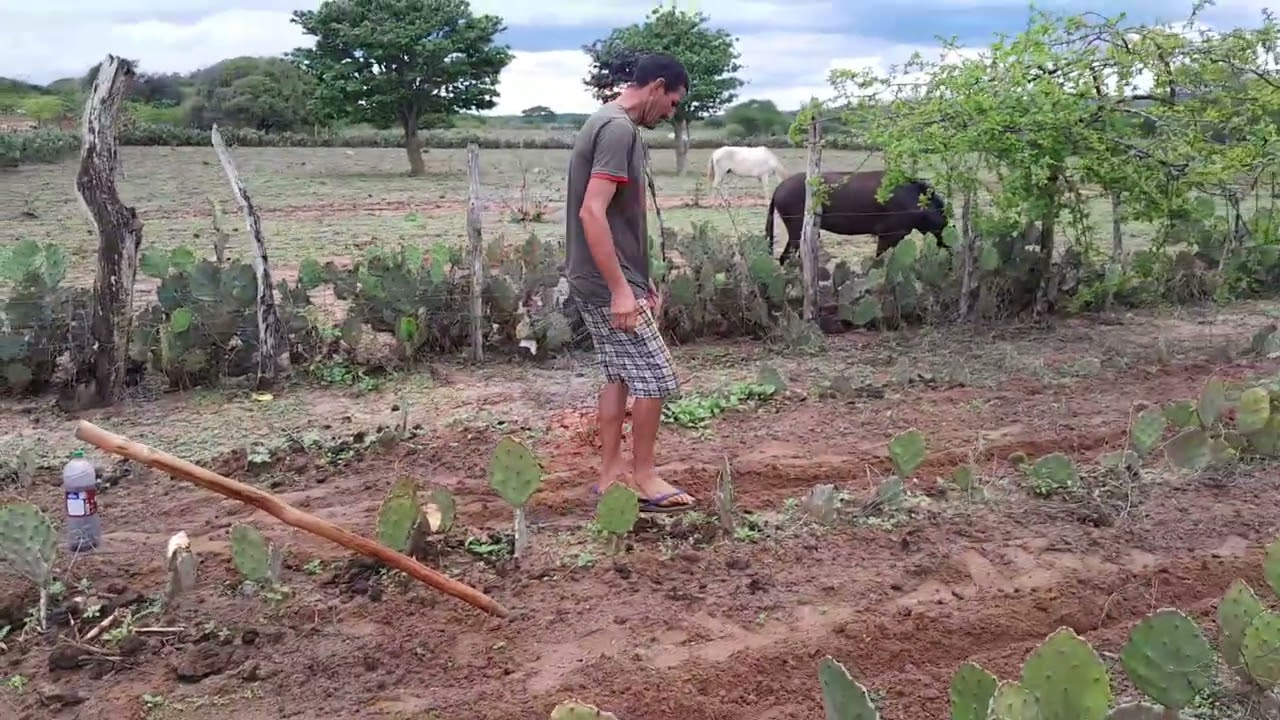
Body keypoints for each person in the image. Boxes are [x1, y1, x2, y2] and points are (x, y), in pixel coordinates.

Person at [564, 52, 696, 513]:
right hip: (606, 283)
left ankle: (611, 476)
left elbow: (620, 219)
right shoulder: (618, 129)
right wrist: (622, 290)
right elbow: (592, 211)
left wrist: (640, 281)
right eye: (673, 102)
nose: (671, 113)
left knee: (619, 374)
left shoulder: (607, 121)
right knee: (656, 376)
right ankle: (644, 476)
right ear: (657, 87)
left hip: (605, 277)